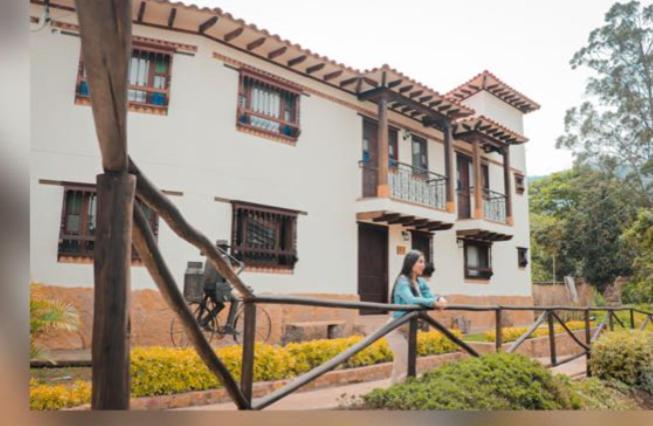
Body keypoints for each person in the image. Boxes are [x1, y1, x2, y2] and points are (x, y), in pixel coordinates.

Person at [385, 249, 447, 385]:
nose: (423, 265)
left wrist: (440, 298)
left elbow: (429, 295)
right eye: (420, 261)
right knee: (407, 364)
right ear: (410, 263)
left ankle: (391, 395)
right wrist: (433, 303)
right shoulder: (402, 280)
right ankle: (407, 394)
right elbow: (411, 299)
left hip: (410, 329)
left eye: (424, 262)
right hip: (396, 329)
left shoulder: (420, 281)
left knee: (399, 366)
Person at [200, 240, 239, 333]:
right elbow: (229, 274)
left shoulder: (209, 257)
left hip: (206, 287)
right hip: (216, 288)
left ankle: (205, 321)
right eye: (225, 248)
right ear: (224, 249)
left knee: (219, 305)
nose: (226, 251)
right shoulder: (224, 258)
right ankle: (229, 325)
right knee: (235, 300)